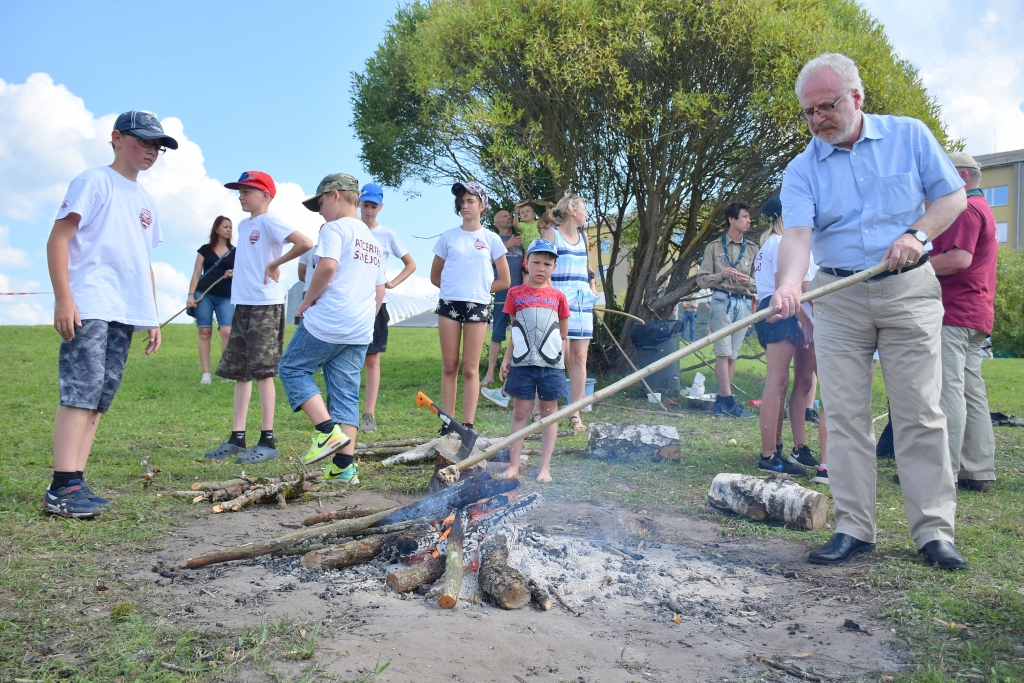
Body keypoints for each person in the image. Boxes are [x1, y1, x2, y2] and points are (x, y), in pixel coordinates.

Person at [771, 53, 969, 569]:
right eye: (809, 112)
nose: (818, 120)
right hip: (837, 297)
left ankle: (932, 533)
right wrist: (790, 285)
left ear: (857, 97)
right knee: (843, 417)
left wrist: (916, 234)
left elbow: (953, 197)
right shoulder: (801, 169)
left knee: (920, 412)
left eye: (827, 106)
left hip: (908, 290)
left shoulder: (910, 136)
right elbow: (797, 235)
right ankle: (855, 528)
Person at [43, 110, 177, 518]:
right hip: (91, 303)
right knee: (80, 391)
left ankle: (76, 480)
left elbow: (142, 261)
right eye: (144, 141)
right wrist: (64, 298)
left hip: (125, 309)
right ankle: (60, 487)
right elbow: (58, 239)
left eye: (158, 146)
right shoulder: (94, 181)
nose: (151, 151)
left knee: (100, 398)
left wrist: (150, 316)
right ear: (117, 138)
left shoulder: (147, 201)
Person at [279, 174, 386, 485]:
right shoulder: (372, 240)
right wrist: (364, 318)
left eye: (321, 203)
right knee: (345, 395)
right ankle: (343, 469)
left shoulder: (335, 229)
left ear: (335, 195)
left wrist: (306, 300)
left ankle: (326, 433)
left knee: (292, 368)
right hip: (359, 328)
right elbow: (379, 290)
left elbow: (326, 266)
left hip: (329, 319)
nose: (320, 211)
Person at [204, 171, 312, 463]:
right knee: (241, 372)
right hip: (243, 303)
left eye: (247, 191)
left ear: (265, 196)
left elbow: (304, 242)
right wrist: (240, 270)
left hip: (266, 304)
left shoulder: (270, 220)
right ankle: (237, 438)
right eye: (239, 191)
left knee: (264, 372)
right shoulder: (242, 224)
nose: (241, 195)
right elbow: (252, 255)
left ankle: (268, 439)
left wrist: (275, 263)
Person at [930, 152, 998, 492]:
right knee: (972, 391)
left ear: (961, 178)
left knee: (949, 390)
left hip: (955, 311)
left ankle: (947, 471)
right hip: (975, 312)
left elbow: (958, 258)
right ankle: (978, 469)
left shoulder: (964, 208)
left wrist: (913, 265)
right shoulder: (982, 208)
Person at [431, 181, 510, 433]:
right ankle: (447, 422)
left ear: (482, 205)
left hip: (477, 306)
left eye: (470, 201)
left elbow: (505, 281)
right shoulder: (448, 237)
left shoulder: (492, 239)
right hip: (449, 305)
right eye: (461, 202)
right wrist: (456, 289)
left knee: (470, 367)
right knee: (450, 364)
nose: (464, 205)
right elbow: (436, 276)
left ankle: (467, 424)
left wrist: (477, 290)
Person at [751, 195, 819, 476]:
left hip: (773, 309)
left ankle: (778, 446)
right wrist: (808, 321)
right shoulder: (779, 242)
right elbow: (784, 288)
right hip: (779, 310)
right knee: (776, 383)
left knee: (782, 383)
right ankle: (768, 455)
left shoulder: (768, 243)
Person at [498, 239, 570, 482]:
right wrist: (507, 360)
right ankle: (514, 465)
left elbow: (562, 334)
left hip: (551, 366)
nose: (541, 268)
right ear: (526, 263)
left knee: (549, 414)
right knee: (520, 412)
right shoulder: (515, 294)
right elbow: (514, 332)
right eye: (536, 262)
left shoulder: (559, 297)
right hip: (522, 365)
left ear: (554, 267)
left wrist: (564, 363)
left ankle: (544, 468)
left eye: (547, 264)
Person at [357, 183, 416, 433]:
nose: (369, 210)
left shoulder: (387, 234)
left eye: (373, 206)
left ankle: (369, 413)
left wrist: (391, 283)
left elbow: (410, 264)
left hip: (376, 303)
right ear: (358, 204)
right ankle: (342, 410)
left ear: (380, 207)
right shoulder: (351, 229)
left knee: (372, 359)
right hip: (350, 300)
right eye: (365, 205)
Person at [542, 192, 599, 434]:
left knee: (579, 359)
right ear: (572, 210)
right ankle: (545, 409)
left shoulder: (584, 236)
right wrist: (554, 297)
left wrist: (593, 287)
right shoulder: (552, 234)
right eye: (583, 209)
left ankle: (575, 413)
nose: (586, 213)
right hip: (559, 301)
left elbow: (587, 267)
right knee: (556, 358)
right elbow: (544, 269)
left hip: (582, 303)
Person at [696, 203, 759, 418]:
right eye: (744, 217)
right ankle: (729, 401)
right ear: (731, 219)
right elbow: (701, 280)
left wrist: (748, 280)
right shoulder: (714, 247)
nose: (748, 221)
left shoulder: (752, 248)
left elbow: (762, 283)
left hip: (744, 301)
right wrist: (720, 276)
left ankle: (723, 402)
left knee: (733, 354)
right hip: (722, 300)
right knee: (722, 352)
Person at [186, 216, 235, 384]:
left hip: (226, 296)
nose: (229, 230)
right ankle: (206, 374)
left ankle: (225, 372)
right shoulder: (204, 250)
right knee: (205, 332)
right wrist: (191, 295)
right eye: (225, 227)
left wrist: (233, 273)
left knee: (227, 332)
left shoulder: (235, 251)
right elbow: (196, 274)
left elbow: (243, 272)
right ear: (216, 229)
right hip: (204, 294)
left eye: (230, 227)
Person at [481, 209, 523, 400]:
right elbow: (487, 261)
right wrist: (507, 245)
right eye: (504, 216)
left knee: (519, 334)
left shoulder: (521, 238)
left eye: (509, 215)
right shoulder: (492, 239)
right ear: (496, 222)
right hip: (501, 293)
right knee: (497, 333)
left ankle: (515, 375)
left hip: (521, 294)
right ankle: (490, 374)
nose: (508, 217)